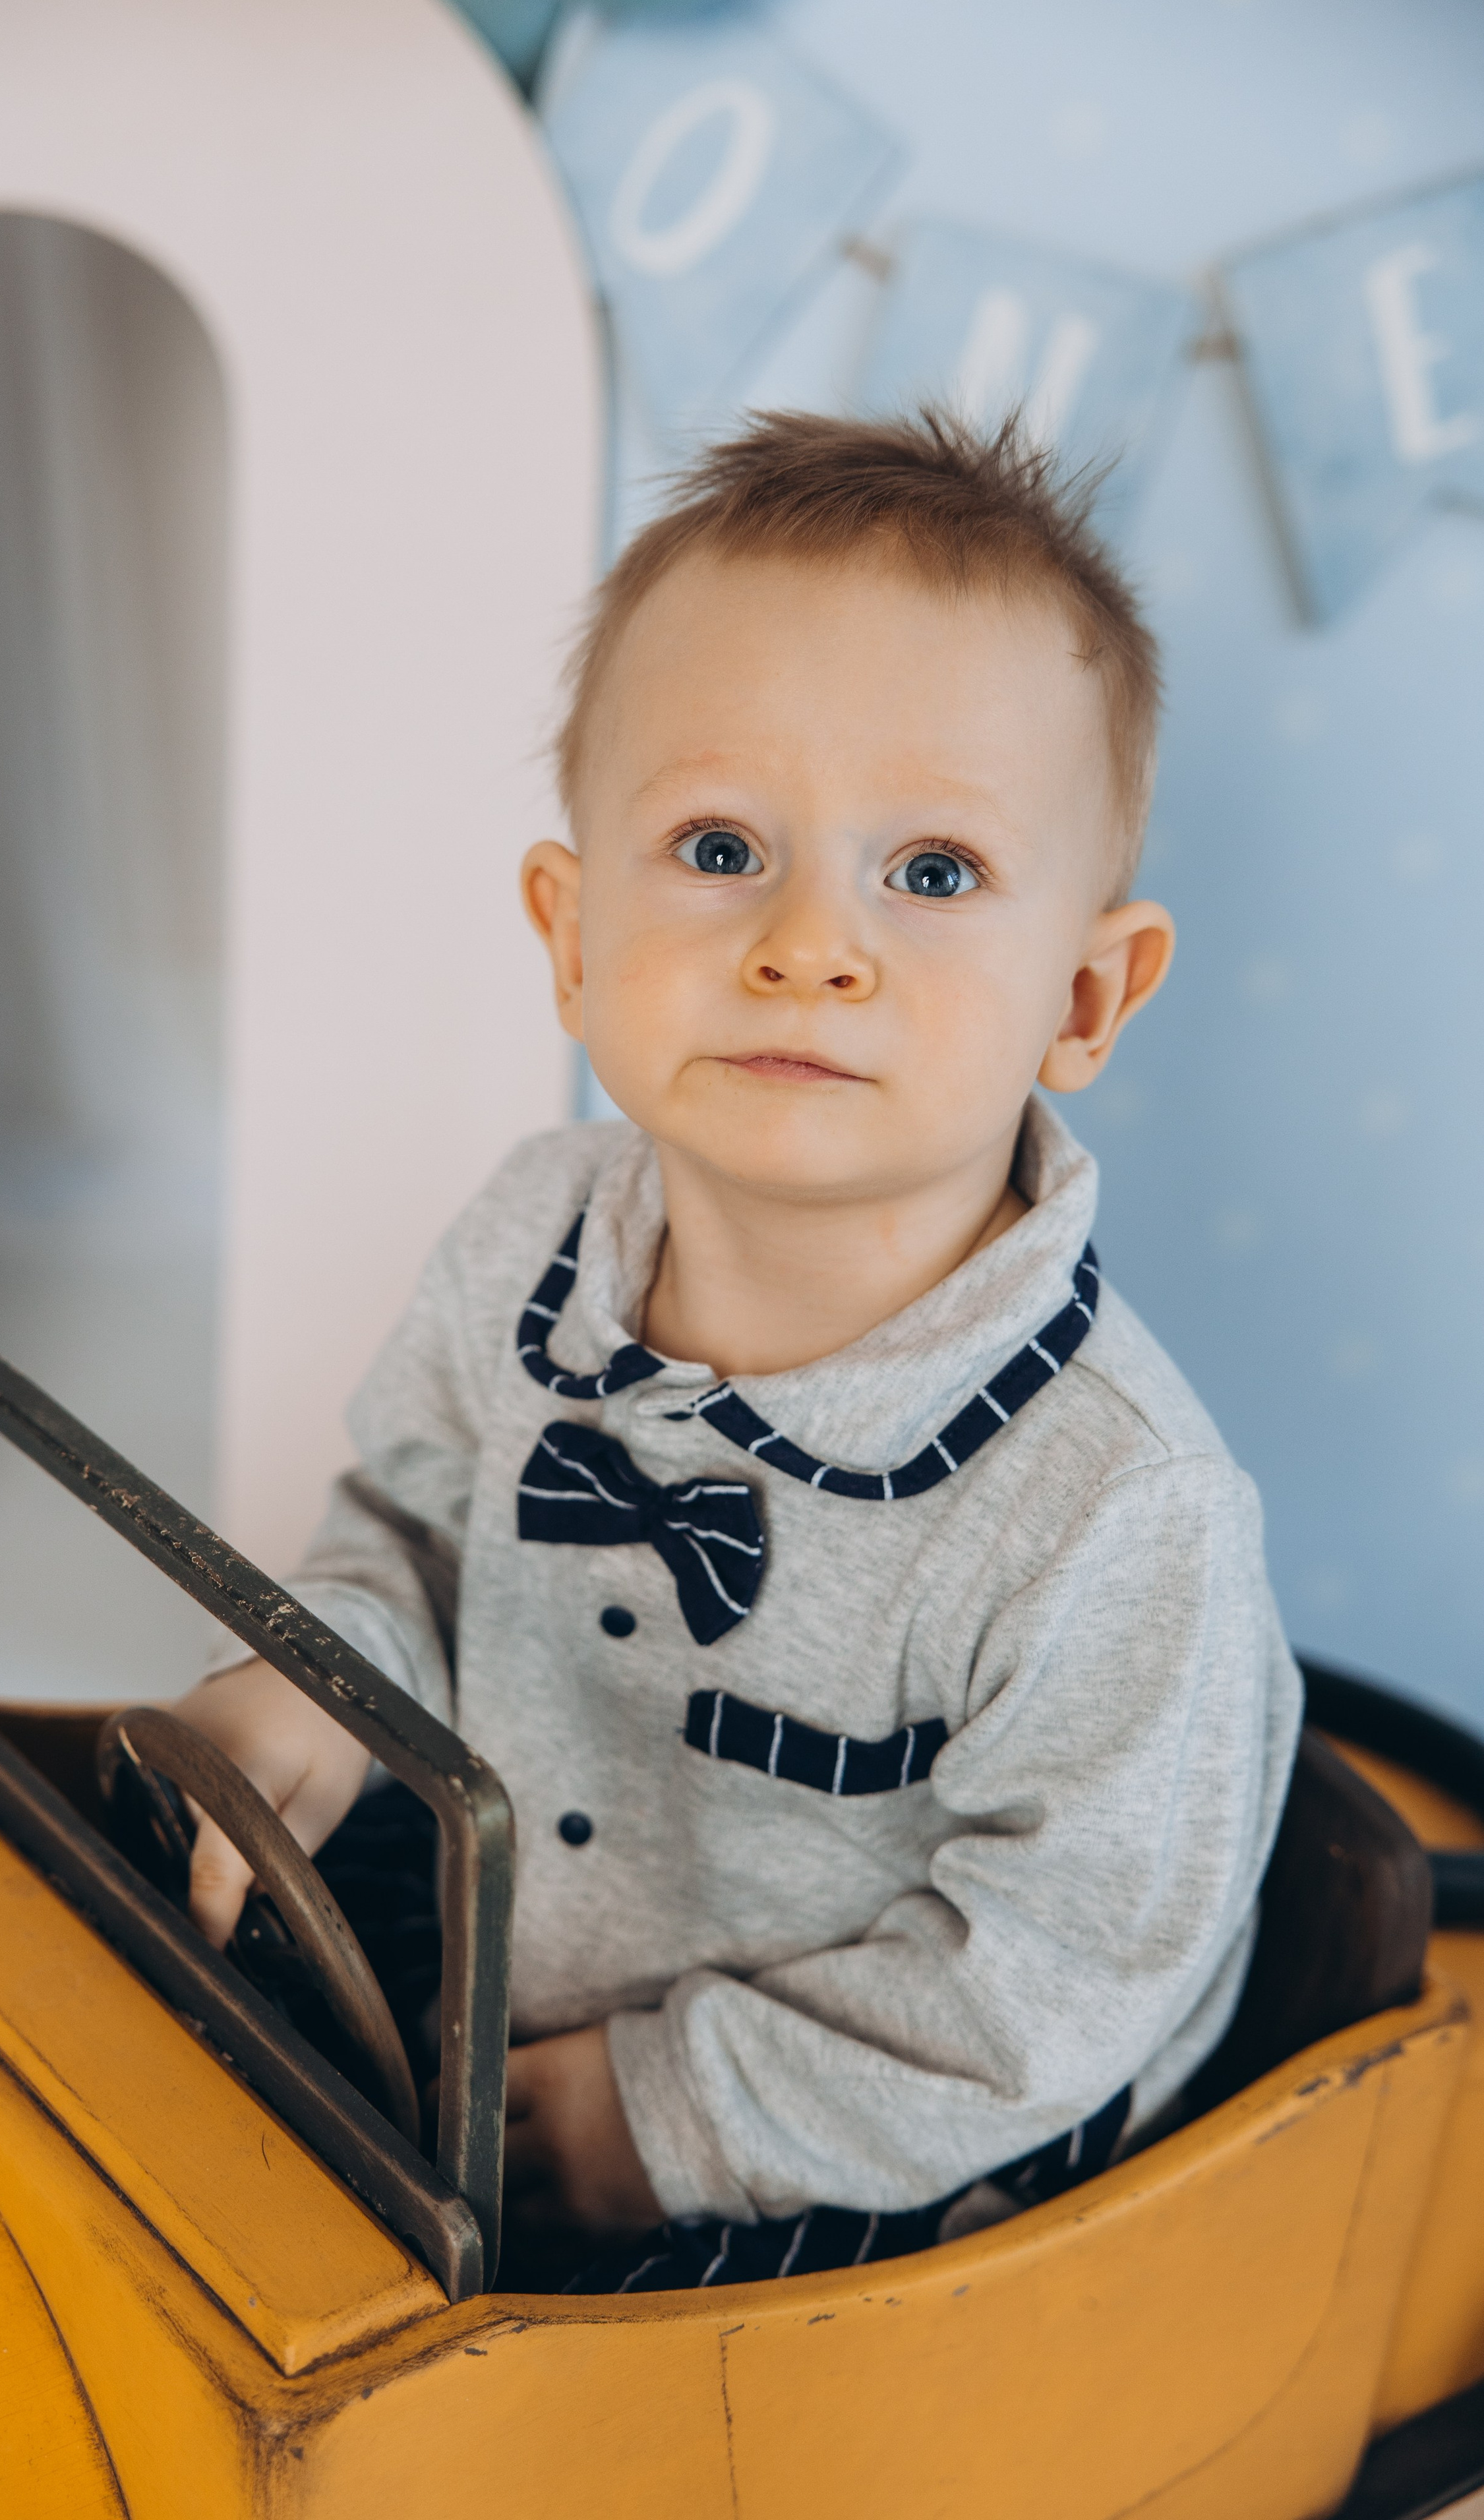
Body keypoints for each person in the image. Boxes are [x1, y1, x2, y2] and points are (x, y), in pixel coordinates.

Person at [172, 409, 1302, 2292]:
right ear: (571, 934)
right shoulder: (534, 1231)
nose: (809, 946)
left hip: (879, 2149)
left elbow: (1055, 1985)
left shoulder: (1120, 1514)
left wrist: (663, 2120)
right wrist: (325, 1671)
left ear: (1087, 995)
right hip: (525, 1936)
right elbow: (416, 1518)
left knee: (572, 2415)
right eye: (719, 847)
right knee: (161, 2104)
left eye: (930, 874)